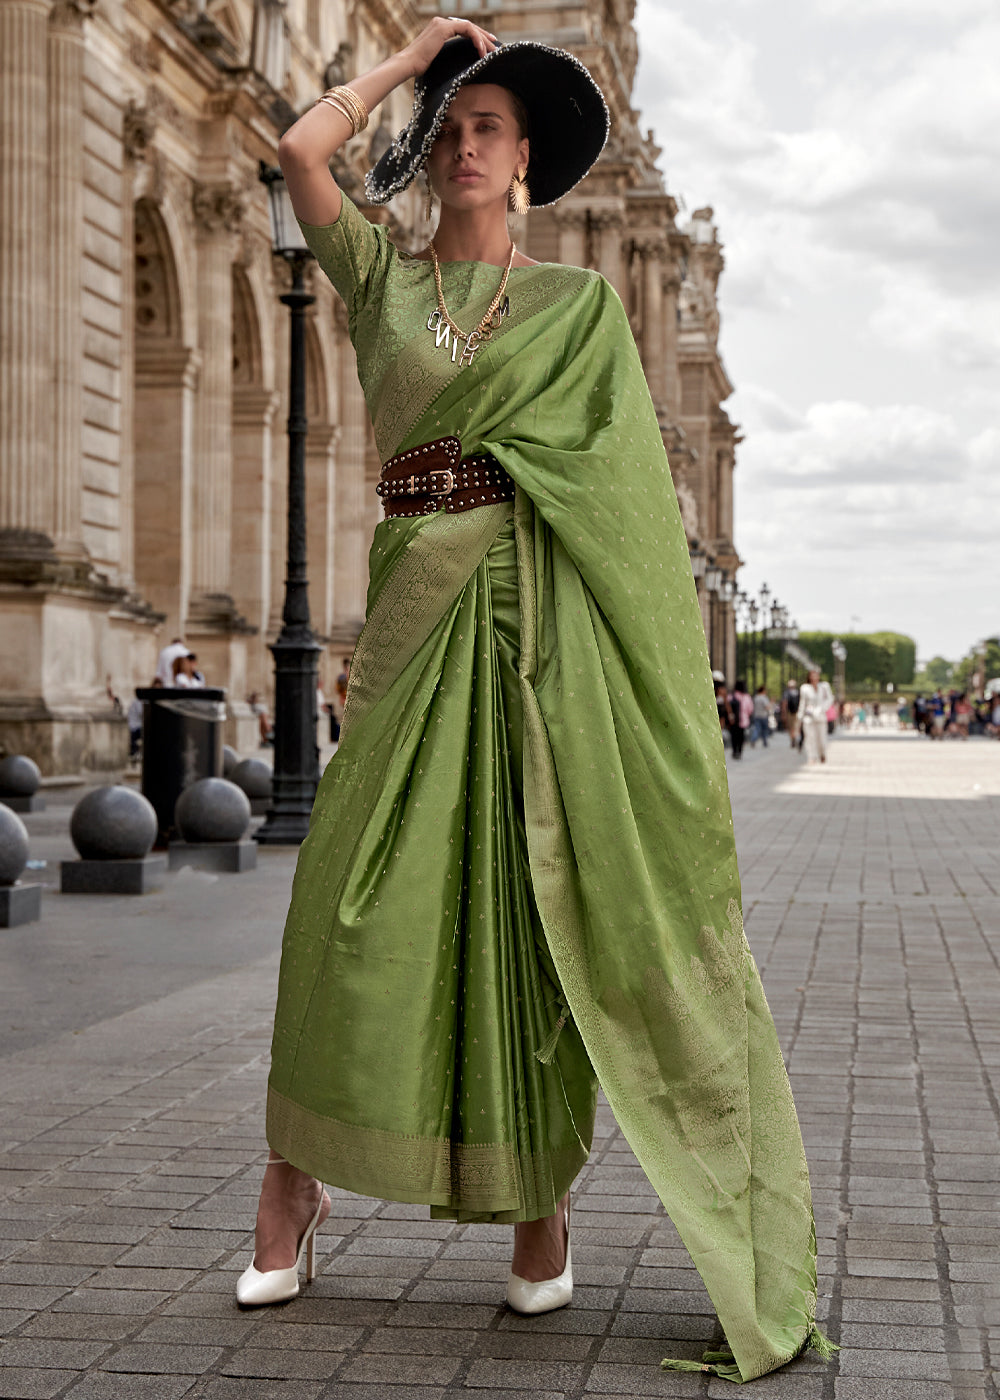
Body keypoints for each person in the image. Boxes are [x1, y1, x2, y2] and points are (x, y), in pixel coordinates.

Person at [239, 19, 827, 1384]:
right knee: (345, 903)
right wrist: (411, 66)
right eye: (449, 129)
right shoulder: (377, 277)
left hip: (543, 631)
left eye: (486, 129)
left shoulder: (579, 316)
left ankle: (539, 1216)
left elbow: (624, 514)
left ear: (525, 168)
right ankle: (294, 1187)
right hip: (414, 617)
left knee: (528, 919)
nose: (461, 144)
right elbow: (297, 148)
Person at [799, 668, 835, 764]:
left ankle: (822, 753)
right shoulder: (805, 688)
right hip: (809, 717)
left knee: (821, 738)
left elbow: (830, 699)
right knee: (810, 738)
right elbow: (802, 703)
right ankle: (811, 756)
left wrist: (822, 708)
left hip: (821, 716)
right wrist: (800, 717)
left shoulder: (824, 686)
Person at [728, 677, 752, 759]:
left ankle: (735, 751)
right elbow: (750, 709)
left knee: (734, 736)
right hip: (743, 720)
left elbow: (728, 707)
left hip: (733, 720)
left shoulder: (731, 696)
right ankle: (740, 751)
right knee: (741, 736)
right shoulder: (746, 697)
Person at [781, 677, 801, 749]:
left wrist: (783, 713)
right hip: (797, 712)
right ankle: (795, 737)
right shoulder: (798, 692)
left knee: (790, 727)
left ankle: (793, 738)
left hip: (789, 712)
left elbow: (784, 703)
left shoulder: (786, 693)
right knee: (796, 726)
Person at [751, 684, 771, 748]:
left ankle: (753, 739)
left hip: (756, 715)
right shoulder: (764, 698)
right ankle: (765, 742)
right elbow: (767, 707)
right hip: (763, 716)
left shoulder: (756, 698)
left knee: (757, 729)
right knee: (764, 730)